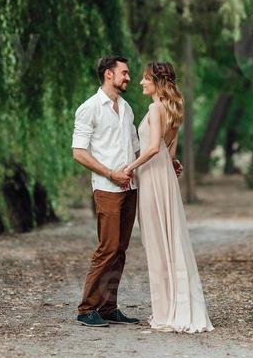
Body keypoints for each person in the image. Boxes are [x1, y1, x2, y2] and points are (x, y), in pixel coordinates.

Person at [72, 55, 182, 328]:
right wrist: (110, 173)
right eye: (124, 73)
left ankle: (109, 307)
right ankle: (87, 308)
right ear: (109, 74)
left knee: (120, 249)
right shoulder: (89, 108)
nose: (129, 78)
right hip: (108, 188)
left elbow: (139, 149)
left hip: (131, 187)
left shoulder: (128, 109)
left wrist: (167, 163)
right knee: (107, 248)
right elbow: (78, 152)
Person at [123, 61, 214, 334]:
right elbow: (169, 151)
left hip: (152, 178)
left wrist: (129, 167)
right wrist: (170, 164)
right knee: (169, 239)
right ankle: (174, 306)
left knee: (156, 242)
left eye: (145, 78)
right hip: (165, 178)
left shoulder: (154, 108)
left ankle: (167, 311)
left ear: (157, 81)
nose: (141, 82)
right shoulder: (175, 107)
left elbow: (152, 148)